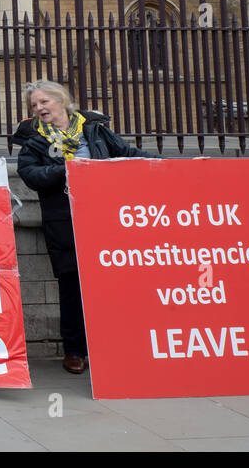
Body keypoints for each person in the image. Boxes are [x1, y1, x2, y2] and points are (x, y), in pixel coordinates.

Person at [11, 79, 151, 375]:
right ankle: (75, 350)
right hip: (65, 221)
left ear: (61, 100)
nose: (39, 109)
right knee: (72, 286)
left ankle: (114, 345)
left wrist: (168, 164)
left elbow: (126, 154)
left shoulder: (93, 129)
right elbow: (31, 175)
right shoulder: (34, 138)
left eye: (44, 102)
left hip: (104, 216)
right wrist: (68, 169)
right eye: (34, 105)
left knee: (111, 283)